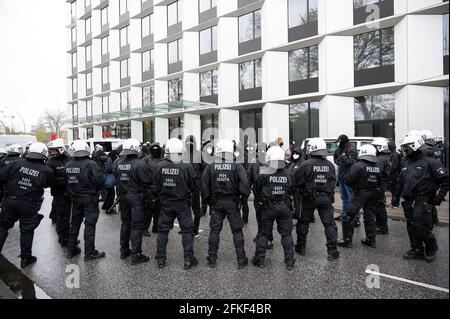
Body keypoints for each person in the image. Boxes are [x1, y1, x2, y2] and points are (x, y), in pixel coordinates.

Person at [0, 143, 54, 268]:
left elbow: (2, 176)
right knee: (27, 231)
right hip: (29, 204)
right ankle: (26, 258)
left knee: (2, 227)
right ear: (44, 153)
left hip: (10, 201)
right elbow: (48, 184)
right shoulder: (47, 170)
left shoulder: (16, 163)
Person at [201, 139, 250, 269]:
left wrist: (208, 201)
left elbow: (204, 184)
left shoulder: (211, 166)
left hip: (217, 202)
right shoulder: (237, 166)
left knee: (214, 231)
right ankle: (241, 258)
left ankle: (212, 258)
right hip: (232, 202)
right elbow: (245, 185)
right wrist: (242, 199)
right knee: (237, 231)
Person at [399, 134, 448, 262]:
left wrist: (439, 196)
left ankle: (432, 247)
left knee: (421, 228)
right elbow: (402, 181)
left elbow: (445, 178)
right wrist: (395, 197)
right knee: (411, 226)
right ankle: (417, 249)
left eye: (406, 147)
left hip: (423, 200)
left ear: (414, 146)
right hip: (409, 201)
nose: (404, 150)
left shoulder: (430, 162)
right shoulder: (407, 162)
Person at [154, 138, 199, 270]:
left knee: (162, 231)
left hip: (166, 203)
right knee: (187, 231)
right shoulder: (186, 166)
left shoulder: (159, 166)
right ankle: (188, 259)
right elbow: (194, 185)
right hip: (182, 203)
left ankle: (161, 259)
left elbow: (156, 184)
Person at [295, 138, 340, 261]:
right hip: (325, 198)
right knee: (329, 224)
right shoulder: (330, 165)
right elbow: (333, 182)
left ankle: (301, 247)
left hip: (308, 198)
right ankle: (332, 251)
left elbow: (297, 181)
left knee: (303, 223)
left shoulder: (305, 164)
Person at [252, 146, 296, 271]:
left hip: (268, 207)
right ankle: (290, 261)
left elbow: (257, 190)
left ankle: (259, 259)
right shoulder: (289, 174)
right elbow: (293, 189)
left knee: (264, 234)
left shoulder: (263, 173)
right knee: (286, 234)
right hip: (284, 207)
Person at [113, 139, 153, 265]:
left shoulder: (118, 163)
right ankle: (136, 254)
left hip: (123, 196)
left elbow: (116, 178)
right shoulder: (139, 164)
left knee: (125, 223)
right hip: (136, 197)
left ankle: (124, 250)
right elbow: (147, 181)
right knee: (136, 226)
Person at [65, 140, 106, 261]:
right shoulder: (91, 164)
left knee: (74, 224)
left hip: (75, 198)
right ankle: (89, 252)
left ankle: (71, 250)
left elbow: (66, 182)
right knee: (90, 225)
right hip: (89, 198)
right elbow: (99, 180)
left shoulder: (68, 165)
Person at [338, 145, 382, 249]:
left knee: (348, 215)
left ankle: (347, 240)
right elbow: (379, 182)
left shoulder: (358, 166)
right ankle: (371, 240)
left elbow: (348, 181)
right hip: (373, 193)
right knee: (369, 216)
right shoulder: (377, 167)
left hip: (360, 194)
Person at [46, 139, 72, 247]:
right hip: (59, 193)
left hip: (71, 192)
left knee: (70, 216)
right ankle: (63, 238)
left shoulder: (69, 159)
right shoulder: (50, 162)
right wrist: (65, 180)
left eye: (54, 150)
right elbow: (49, 180)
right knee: (62, 217)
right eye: (50, 150)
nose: (52, 152)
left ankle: (69, 236)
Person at [248, 143, 273, 248]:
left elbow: (248, 178)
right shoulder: (255, 163)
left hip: (266, 195)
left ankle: (267, 239)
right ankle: (263, 236)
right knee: (262, 217)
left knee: (265, 217)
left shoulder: (270, 163)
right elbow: (248, 177)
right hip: (261, 195)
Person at [334, 135, 360, 226]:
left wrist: (344, 158)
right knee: (344, 197)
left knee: (351, 198)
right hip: (342, 176)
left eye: (339, 141)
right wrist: (340, 157)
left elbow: (352, 162)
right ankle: (344, 215)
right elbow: (336, 160)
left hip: (349, 177)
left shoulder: (351, 148)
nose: (338, 143)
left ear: (343, 141)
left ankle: (356, 218)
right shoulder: (341, 148)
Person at [183, 135, 203, 236]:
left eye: (191, 142)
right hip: (184, 187)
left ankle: (195, 228)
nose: (189, 144)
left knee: (196, 209)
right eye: (187, 142)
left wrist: (202, 185)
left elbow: (205, 170)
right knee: (185, 209)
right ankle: (186, 227)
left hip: (195, 186)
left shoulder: (199, 154)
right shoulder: (183, 155)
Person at [143, 143, 163, 236]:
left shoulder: (162, 159)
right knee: (149, 209)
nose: (155, 151)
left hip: (160, 187)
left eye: (157, 149)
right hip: (149, 187)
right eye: (153, 149)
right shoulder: (146, 159)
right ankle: (145, 228)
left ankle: (156, 227)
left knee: (158, 209)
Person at [371, 138, 391, 235]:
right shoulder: (385, 157)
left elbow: (377, 172)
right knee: (379, 205)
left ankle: (382, 227)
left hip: (379, 184)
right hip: (382, 184)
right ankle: (381, 225)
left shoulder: (380, 159)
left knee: (379, 206)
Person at [388, 141, 402, 208]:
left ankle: (395, 204)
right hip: (395, 175)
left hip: (394, 176)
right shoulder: (394, 154)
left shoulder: (394, 155)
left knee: (395, 190)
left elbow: (394, 166)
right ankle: (394, 203)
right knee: (394, 190)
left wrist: (389, 173)